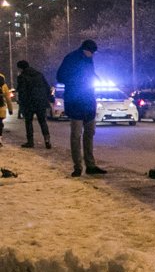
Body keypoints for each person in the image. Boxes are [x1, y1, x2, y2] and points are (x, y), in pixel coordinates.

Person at [56, 39, 106, 177]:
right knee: (76, 136)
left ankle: (90, 165)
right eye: (92, 52)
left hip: (88, 102)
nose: (93, 55)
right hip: (76, 102)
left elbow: (89, 76)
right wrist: (78, 79)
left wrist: (93, 78)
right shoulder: (71, 58)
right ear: (86, 50)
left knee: (89, 134)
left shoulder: (89, 60)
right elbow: (60, 76)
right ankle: (78, 166)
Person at [15, 60, 52, 149]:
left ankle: (30, 141)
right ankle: (47, 140)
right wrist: (46, 99)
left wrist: (21, 103)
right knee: (42, 121)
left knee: (28, 122)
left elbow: (22, 91)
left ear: (21, 68)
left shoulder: (22, 77)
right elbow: (47, 88)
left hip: (29, 103)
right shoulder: (39, 74)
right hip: (41, 102)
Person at [0, 72, 13, 147]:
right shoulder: (4, 85)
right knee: (0, 123)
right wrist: (10, 109)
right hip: (1, 107)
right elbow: (8, 98)